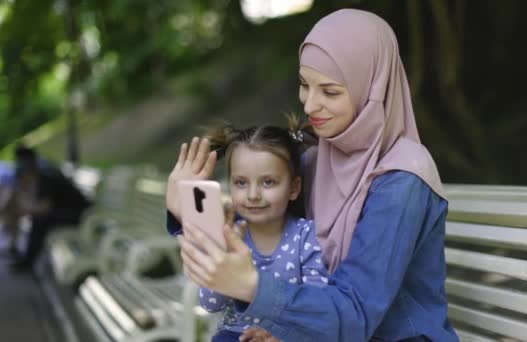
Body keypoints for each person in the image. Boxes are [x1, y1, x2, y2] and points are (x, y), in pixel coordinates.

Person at [167, 9, 458, 342]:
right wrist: (187, 209)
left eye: (330, 92)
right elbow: (261, 226)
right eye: (305, 85)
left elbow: (357, 313)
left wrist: (251, 286)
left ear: (373, 89)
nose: (309, 104)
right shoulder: (318, 160)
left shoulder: (403, 178)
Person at [167, 124, 329, 342]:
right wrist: (217, 251)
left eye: (268, 182)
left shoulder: (306, 237)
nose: (253, 195)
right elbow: (210, 303)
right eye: (241, 183)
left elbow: (316, 303)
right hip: (234, 336)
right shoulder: (229, 233)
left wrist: (287, 333)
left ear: (293, 188)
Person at [8, 145, 92, 271]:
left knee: (40, 219)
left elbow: (43, 208)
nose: (23, 182)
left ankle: (27, 262)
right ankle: (27, 261)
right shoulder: (43, 174)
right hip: (73, 212)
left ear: (27, 173)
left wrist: (23, 211)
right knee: (40, 219)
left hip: (83, 215)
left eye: (23, 179)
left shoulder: (46, 178)